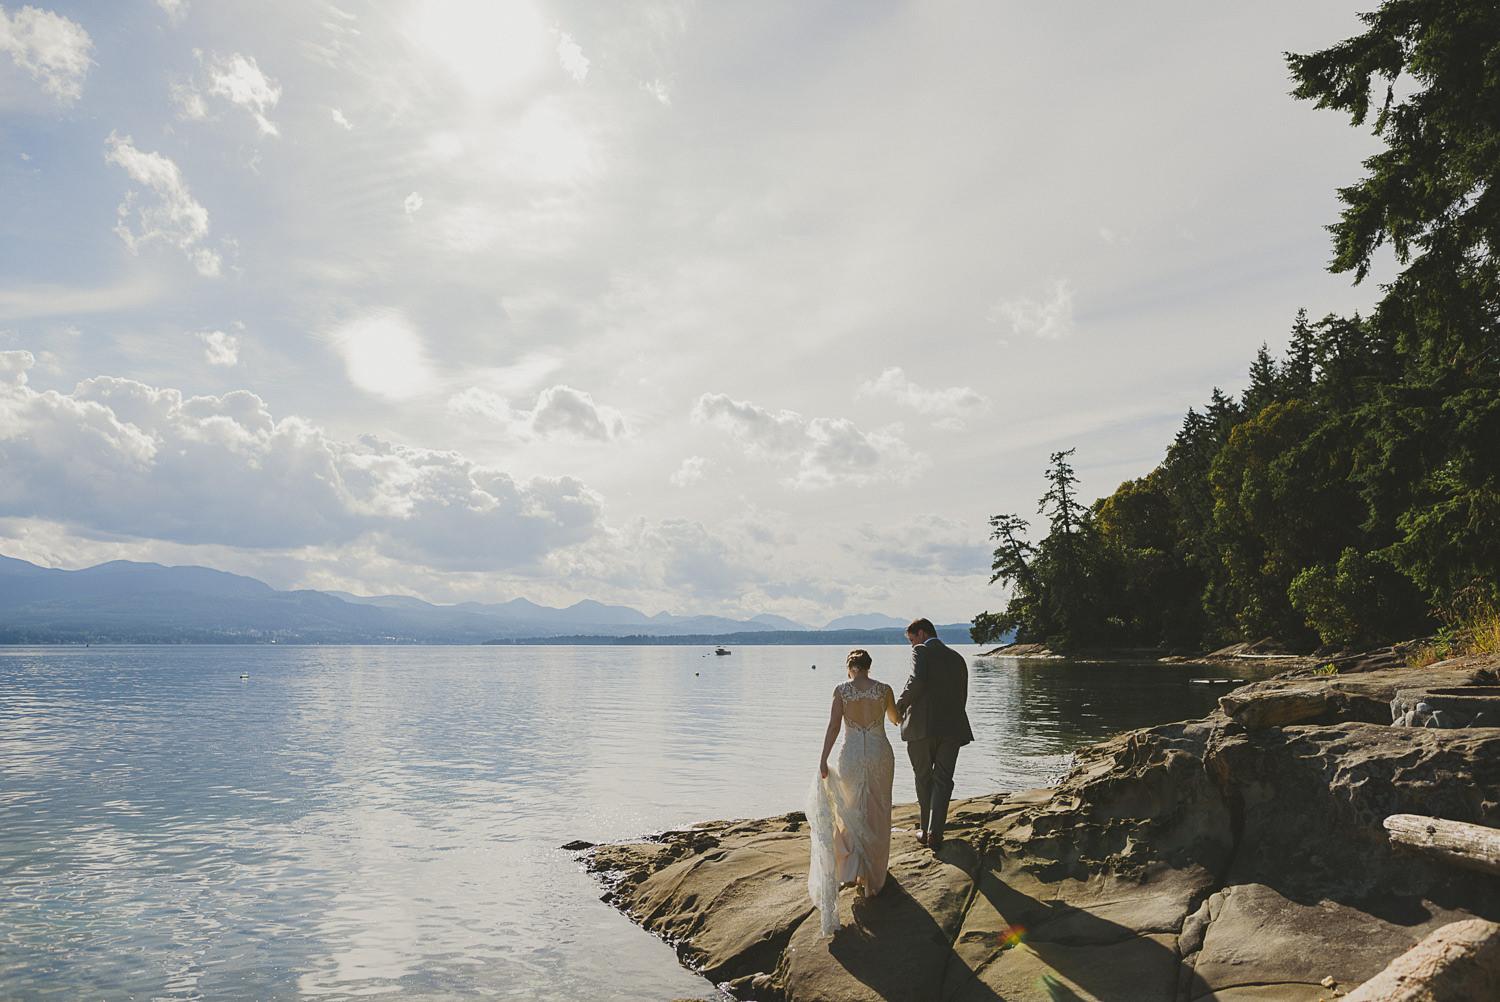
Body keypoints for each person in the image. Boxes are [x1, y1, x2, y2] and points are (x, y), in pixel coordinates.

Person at [806, 648, 902, 935]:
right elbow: (895, 719)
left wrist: (823, 758)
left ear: (850, 668)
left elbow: (834, 725)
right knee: (879, 809)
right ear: (869, 667)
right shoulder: (884, 689)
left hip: (850, 756)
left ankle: (851, 873)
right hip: (879, 752)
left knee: (851, 808)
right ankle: (874, 875)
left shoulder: (842, 690)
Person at [895, 617, 973, 852]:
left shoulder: (921, 651)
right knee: (943, 779)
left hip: (921, 728)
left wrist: (898, 707)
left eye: (911, 639)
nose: (911, 645)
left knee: (923, 778)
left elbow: (916, 681)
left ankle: (925, 829)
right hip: (953, 728)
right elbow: (962, 694)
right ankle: (935, 833)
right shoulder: (957, 658)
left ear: (920, 634)